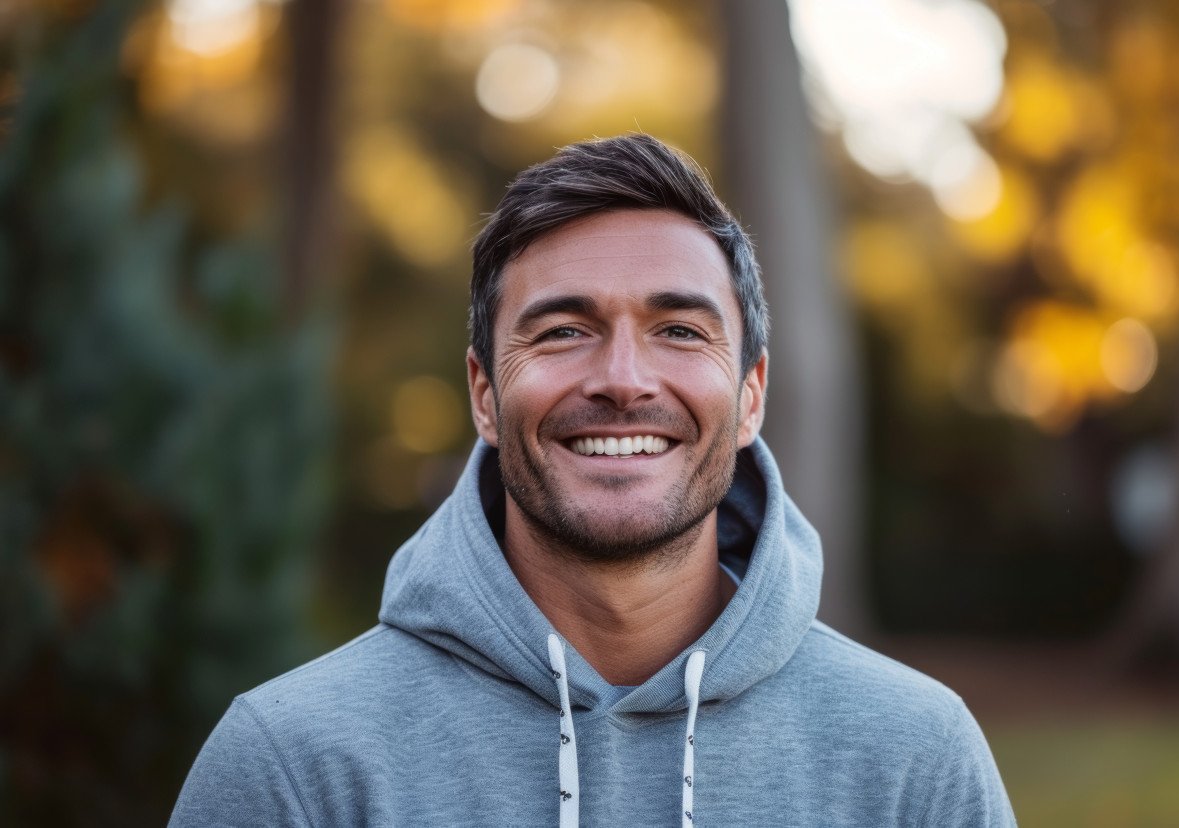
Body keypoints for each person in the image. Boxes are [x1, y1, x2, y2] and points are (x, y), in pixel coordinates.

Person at [171, 134, 1015, 827]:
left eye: (679, 330)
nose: (622, 379)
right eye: (564, 330)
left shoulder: (915, 762)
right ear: (484, 395)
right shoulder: (292, 765)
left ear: (750, 396)